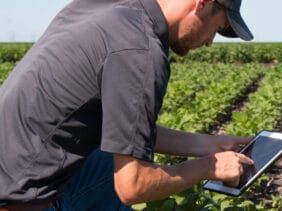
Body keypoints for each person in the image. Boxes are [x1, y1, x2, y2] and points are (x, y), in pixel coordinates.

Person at [0, 0, 255, 210]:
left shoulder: (104, 10)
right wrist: (209, 166)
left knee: (106, 159)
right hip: (18, 196)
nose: (210, 42)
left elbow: (124, 131)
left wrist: (208, 145)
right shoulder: (141, 51)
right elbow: (133, 186)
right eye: (216, 27)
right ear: (202, 3)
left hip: (13, 165)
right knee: (123, 177)